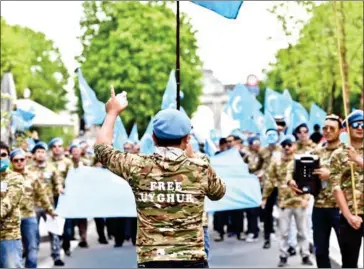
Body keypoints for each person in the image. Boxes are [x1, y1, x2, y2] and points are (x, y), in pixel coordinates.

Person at [94, 87, 226, 268]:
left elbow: (102, 150)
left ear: (154, 138)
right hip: (191, 260)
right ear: (187, 139)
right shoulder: (200, 168)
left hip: (152, 260)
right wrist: (193, 155)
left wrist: (112, 113)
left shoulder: (137, 166)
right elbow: (219, 192)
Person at [263, 135, 313, 267]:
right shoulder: (276, 163)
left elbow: (308, 180)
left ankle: (305, 255)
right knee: (284, 232)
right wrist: (265, 197)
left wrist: (306, 198)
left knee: (302, 231)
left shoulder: (300, 161)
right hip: (284, 202)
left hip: (299, 201)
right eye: (284, 145)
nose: (287, 148)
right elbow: (269, 180)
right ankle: (283, 256)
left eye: (289, 145)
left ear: (294, 146)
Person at [10, 148, 56, 268]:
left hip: (29, 216)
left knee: (32, 246)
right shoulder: (6, 177)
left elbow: (42, 195)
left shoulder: (33, 176)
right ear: (12, 162)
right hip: (11, 220)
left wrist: (50, 210)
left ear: (25, 161)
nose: (19, 162)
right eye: (16, 160)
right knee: (15, 248)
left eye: (22, 159)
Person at [309, 115, 344, 268]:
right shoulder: (316, 152)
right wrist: (292, 180)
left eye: (332, 128)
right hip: (320, 208)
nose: (327, 131)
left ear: (341, 130)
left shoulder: (347, 152)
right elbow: (295, 167)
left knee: (348, 251)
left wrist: (331, 175)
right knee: (321, 251)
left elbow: (356, 175)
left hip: (342, 209)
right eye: (325, 128)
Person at [331, 110, 364, 268]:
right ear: (348, 128)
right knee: (349, 263)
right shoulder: (338, 155)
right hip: (350, 215)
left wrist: (358, 160)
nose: (361, 128)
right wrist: (349, 216)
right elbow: (336, 187)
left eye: (363, 125)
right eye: (356, 125)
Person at [30, 141, 65, 266]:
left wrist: (59, 187)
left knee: (54, 231)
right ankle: (32, 256)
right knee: (33, 232)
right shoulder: (29, 169)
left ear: (46, 154)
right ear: (34, 154)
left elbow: (57, 181)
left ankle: (56, 256)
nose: (40, 154)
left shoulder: (51, 168)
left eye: (42, 152)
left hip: (49, 205)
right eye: (38, 152)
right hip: (33, 205)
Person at [0, 141, 24, 268]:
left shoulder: (15, 178)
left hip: (8, 236)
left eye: (3, 155)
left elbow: (7, 203)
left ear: (8, 158)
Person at [260, 129, 281, 249]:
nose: (272, 137)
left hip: (281, 184)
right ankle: (267, 237)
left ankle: (289, 241)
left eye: (274, 135)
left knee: (284, 210)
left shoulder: (282, 149)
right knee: (267, 211)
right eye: (269, 135)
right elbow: (257, 166)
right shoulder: (262, 151)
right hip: (267, 185)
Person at [243, 136, 264, 243]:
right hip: (250, 186)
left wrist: (262, 173)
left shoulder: (264, 154)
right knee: (251, 209)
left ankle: (260, 229)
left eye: (258, 143)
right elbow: (242, 168)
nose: (256, 145)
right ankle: (252, 230)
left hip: (262, 186)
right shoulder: (247, 155)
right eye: (254, 143)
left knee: (260, 209)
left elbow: (267, 167)